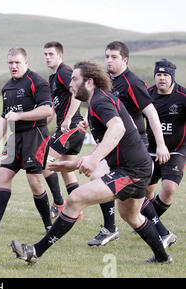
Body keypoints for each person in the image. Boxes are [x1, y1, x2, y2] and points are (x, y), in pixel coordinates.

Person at [10, 61, 173, 265]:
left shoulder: (100, 101)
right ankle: (163, 257)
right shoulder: (100, 99)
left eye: (75, 79)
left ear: (89, 82)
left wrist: (94, 159)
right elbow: (110, 139)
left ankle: (35, 251)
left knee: (75, 198)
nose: (70, 84)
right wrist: (75, 163)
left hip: (132, 172)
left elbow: (118, 129)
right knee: (132, 217)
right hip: (133, 169)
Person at [87, 41, 170, 247]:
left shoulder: (132, 82)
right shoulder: (108, 81)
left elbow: (150, 113)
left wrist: (160, 144)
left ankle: (110, 228)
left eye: (114, 57)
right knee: (133, 196)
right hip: (115, 144)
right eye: (106, 56)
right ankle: (163, 232)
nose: (109, 60)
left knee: (100, 177)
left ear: (125, 60)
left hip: (133, 144)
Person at [0, 48, 53, 234]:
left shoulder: (37, 82)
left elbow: (47, 110)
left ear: (26, 62)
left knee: (34, 181)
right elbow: (5, 118)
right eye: (10, 63)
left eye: (17, 62)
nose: (13, 66)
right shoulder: (6, 87)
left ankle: (49, 226)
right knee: (2, 177)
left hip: (35, 134)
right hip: (16, 137)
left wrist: (20, 116)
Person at [145, 59, 185, 246]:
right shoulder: (147, 94)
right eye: (159, 74)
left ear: (172, 77)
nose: (161, 78)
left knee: (168, 189)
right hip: (150, 151)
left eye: (165, 75)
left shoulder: (183, 96)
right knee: (145, 192)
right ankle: (150, 222)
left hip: (176, 150)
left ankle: (151, 224)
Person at [43, 41, 85, 219]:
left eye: (51, 54)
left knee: (45, 162)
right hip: (72, 128)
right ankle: (78, 210)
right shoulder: (53, 78)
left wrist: (67, 118)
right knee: (66, 170)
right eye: (45, 54)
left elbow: (78, 92)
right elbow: (54, 107)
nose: (47, 57)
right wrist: (45, 121)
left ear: (60, 56)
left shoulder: (64, 72)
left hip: (72, 126)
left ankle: (59, 203)